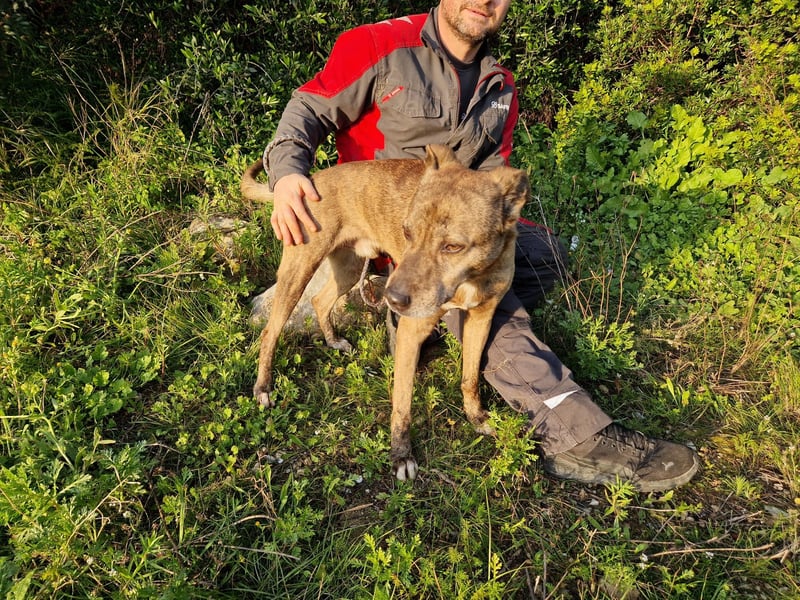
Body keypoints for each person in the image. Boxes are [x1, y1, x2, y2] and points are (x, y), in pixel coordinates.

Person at [256, 0, 699, 492]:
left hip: (460, 231)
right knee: (498, 312)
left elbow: (493, 182)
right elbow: (308, 107)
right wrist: (289, 174)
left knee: (547, 256)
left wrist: (500, 234)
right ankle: (574, 431)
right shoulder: (378, 45)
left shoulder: (500, 85)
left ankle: (450, 336)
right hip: (400, 230)